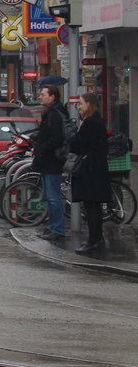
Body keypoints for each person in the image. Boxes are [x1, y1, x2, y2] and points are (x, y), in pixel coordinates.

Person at [68, 92, 111, 255]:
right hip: (96, 169)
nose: (79, 107)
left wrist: (78, 130)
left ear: (89, 105)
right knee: (94, 206)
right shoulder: (97, 121)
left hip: (90, 170)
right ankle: (96, 239)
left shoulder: (90, 123)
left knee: (91, 206)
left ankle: (94, 240)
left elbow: (77, 145)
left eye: (81, 103)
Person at [33, 84, 70, 243]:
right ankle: (53, 226)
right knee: (50, 196)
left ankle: (58, 228)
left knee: (53, 196)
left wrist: (41, 148)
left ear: (52, 96)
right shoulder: (52, 113)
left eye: (43, 94)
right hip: (49, 160)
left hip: (52, 160)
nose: (40, 97)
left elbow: (56, 138)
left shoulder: (55, 114)